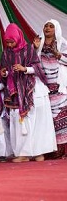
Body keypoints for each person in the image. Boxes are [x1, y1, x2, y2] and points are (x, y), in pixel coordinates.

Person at [1, 23, 56, 162]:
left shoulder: (28, 50)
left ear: (18, 38)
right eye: (7, 42)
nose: (10, 44)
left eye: (12, 41)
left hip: (33, 90)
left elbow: (37, 68)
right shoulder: (6, 53)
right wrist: (4, 72)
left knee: (38, 122)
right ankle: (24, 153)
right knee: (22, 123)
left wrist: (24, 69)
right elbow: (7, 71)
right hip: (17, 92)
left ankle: (39, 153)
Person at [34, 19, 67, 158]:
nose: (47, 28)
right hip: (44, 87)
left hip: (60, 87)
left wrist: (57, 54)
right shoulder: (38, 44)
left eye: (51, 26)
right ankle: (51, 151)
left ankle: (62, 151)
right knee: (48, 120)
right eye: (46, 25)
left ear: (56, 29)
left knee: (61, 119)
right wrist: (35, 49)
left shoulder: (62, 43)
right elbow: (33, 63)